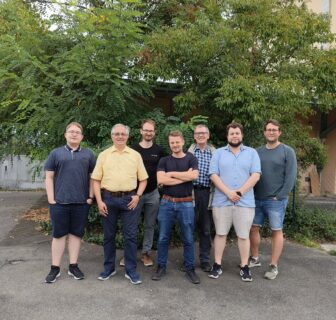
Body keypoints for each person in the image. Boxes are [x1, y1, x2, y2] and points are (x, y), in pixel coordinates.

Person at [91, 124, 148, 285]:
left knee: (130, 236)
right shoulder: (104, 155)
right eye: (117, 134)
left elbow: (143, 179)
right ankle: (109, 268)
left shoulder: (135, 155)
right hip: (108, 199)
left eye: (123, 134)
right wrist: (99, 201)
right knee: (109, 236)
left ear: (127, 136)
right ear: (112, 136)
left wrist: (137, 195)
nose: (120, 136)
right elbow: (95, 180)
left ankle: (131, 270)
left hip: (129, 200)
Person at [208, 122, 261, 282]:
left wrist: (239, 192)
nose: (234, 136)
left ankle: (245, 267)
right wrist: (228, 192)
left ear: (242, 135)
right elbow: (213, 174)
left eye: (237, 133)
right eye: (232, 133)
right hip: (222, 201)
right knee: (220, 233)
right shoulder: (218, 153)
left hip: (244, 202)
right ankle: (217, 265)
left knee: (243, 236)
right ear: (227, 136)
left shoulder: (252, 153)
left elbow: (256, 175)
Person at [44, 122, 96, 283]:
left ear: (82, 136)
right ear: (65, 134)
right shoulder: (55, 153)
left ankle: (73, 266)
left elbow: (94, 178)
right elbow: (49, 177)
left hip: (81, 203)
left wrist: (90, 197)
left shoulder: (88, 154)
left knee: (76, 235)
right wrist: (51, 199)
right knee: (58, 235)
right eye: (71, 131)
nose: (74, 134)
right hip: (59, 203)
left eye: (77, 132)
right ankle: (55, 268)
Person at [250, 119, 297, 280]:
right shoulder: (257, 152)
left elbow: (291, 177)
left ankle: (273, 265)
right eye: (268, 129)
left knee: (276, 231)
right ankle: (254, 258)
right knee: (253, 228)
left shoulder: (287, 151)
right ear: (264, 132)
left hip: (275, 200)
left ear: (279, 132)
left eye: (274, 130)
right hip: (256, 198)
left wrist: (281, 196)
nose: (271, 132)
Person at [151, 130, 200, 284]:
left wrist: (171, 174)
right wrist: (183, 176)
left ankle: (190, 268)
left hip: (186, 203)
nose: (175, 145)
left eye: (177, 142)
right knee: (163, 237)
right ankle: (161, 266)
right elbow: (161, 180)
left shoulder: (191, 158)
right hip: (167, 203)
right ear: (170, 143)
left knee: (188, 237)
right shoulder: (164, 160)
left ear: (183, 142)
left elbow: (194, 176)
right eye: (172, 142)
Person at [132, 119, 165, 266]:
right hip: (135, 194)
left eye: (151, 130)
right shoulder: (132, 150)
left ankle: (146, 254)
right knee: (131, 224)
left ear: (154, 132)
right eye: (146, 130)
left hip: (153, 193)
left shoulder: (159, 150)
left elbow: (164, 170)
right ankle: (129, 254)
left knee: (150, 225)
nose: (148, 133)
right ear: (141, 131)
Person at [188, 124, 216, 272]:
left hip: (207, 193)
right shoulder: (189, 152)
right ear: (194, 136)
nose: (200, 135)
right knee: (189, 227)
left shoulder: (215, 153)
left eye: (203, 133)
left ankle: (205, 260)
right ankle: (189, 260)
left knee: (205, 229)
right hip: (190, 192)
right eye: (197, 133)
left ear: (208, 135)